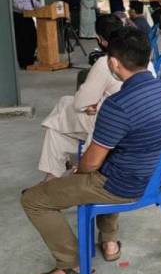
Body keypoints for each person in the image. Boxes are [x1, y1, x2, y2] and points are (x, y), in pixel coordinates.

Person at [21, 26, 161, 274]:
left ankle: (72, 266)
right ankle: (109, 240)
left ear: (113, 63)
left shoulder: (118, 105)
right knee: (109, 164)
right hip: (153, 176)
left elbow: (92, 164)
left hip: (122, 185)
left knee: (34, 200)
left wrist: (77, 172)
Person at [37, 15, 124, 181]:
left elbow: (81, 102)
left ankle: (50, 182)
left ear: (100, 39)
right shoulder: (137, 57)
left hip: (109, 124)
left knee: (59, 115)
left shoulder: (107, 63)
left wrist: (95, 105)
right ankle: (50, 180)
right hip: (122, 119)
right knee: (57, 129)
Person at [12, 0, 41, 68]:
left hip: (28, 17)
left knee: (33, 37)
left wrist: (43, 7)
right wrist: (28, 9)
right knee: (23, 40)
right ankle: (24, 62)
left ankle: (30, 59)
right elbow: (16, 4)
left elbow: (34, 2)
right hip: (20, 18)